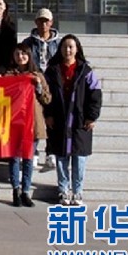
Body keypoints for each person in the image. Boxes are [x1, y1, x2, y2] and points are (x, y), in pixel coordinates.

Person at [43, 34, 101, 207]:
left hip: (80, 122)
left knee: (79, 158)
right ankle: (63, 190)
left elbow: (96, 95)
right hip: (59, 119)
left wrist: (91, 116)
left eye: (71, 47)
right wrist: (48, 114)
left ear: (77, 49)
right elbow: (45, 95)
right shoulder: (52, 71)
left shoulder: (86, 71)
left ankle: (77, 192)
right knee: (61, 158)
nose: (67, 50)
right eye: (64, 46)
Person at [4, 43, 51, 207]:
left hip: (32, 123)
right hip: (14, 122)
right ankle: (15, 190)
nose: (20, 57)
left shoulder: (37, 75)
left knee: (28, 158)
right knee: (14, 158)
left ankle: (25, 191)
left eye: (24, 53)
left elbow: (47, 99)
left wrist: (38, 85)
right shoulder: (9, 75)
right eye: (17, 54)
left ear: (29, 55)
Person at [22, 7, 62, 170]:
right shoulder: (28, 43)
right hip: (34, 83)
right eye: (40, 21)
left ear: (51, 22)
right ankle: (34, 152)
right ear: (35, 22)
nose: (43, 24)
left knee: (52, 119)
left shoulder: (59, 43)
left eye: (46, 21)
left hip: (52, 84)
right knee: (35, 119)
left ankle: (51, 152)